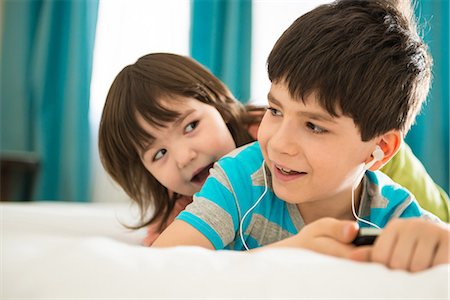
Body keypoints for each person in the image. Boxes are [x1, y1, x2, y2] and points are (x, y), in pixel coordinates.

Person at [151, 0, 449, 272]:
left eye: (314, 127)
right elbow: (159, 271)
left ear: (380, 148)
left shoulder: (395, 214)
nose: (279, 143)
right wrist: (290, 252)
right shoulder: (239, 180)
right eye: (275, 110)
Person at [98, 53, 448, 246]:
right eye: (158, 154)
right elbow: (168, 262)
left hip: (383, 169)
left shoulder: (266, 134)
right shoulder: (206, 197)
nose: (184, 155)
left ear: (218, 106)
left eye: (191, 126)